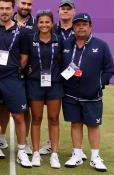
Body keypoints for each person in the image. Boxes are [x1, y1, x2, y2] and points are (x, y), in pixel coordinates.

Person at [0, 0, 32, 168]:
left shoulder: (22, 32)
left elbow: (24, 58)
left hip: (12, 79)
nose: (4, 11)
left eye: (7, 8)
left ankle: (22, 151)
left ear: (12, 9)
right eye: (1, 8)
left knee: (19, 116)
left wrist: (11, 70)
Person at [62, 13, 114, 172]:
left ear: (90, 26)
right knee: (75, 124)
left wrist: (98, 85)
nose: (81, 27)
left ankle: (95, 157)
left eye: (84, 24)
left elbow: (109, 70)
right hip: (70, 95)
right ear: (73, 27)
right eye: (77, 25)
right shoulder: (66, 44)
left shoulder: (101, 45)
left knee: (93, 125)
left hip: (92, 96)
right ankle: (77, 154)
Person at [22, 10, 63, 168]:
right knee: (36, 119)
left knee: (53, 119)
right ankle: (36, 153)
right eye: (41, 22)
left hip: (54, 84)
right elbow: (25, 60)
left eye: (47, 22)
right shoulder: (30, 40)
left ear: (52, 23)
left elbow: (64, 60)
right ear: (36, 24)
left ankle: (54, 154)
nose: (44, 25)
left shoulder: (59, 40)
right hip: (35, 84)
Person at [39, 0, 77, 156]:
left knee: (75, 114)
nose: (66, 11)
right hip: (52, 78)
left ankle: (77, 150)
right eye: (63, 9)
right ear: (59, 12)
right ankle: (50, 143)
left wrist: (70, 71)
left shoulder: (79, 29)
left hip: (73, 78)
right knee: (51, 115)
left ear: (74, 11)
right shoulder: (50, 29)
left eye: (69, 9)